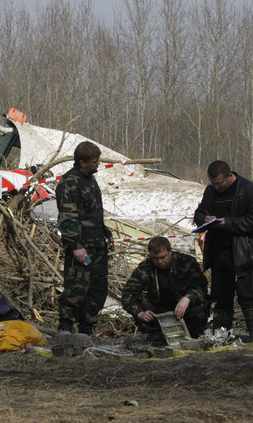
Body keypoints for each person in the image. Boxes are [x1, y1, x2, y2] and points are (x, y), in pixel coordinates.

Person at [55, 141, 111, 335]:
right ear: (82, 162)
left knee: (97, 289)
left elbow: (91, 212)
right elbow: (68, 217)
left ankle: (87, 327)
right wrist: (76, 246)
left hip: (97, 244)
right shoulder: (70, 182)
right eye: (94, 161)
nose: (97, 164)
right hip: (81, 246)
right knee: (76, 288)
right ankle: (66, 326)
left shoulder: (90, 179)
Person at [194, 160, 253, 338]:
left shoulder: (247, 190)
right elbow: (198, 212)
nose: (216, 187)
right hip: (218, 254)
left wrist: (229, 223)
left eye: (219, 183)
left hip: (243, 254)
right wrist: (204, 219)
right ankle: (222, 339)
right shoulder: (211, 190)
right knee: (221, 299)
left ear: (229, 176)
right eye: (213, 183)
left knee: (248, 299)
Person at [121, 236, 208, 341]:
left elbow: (201, 285)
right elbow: (128, 294)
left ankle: (194, 331)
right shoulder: (144, 268)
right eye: (155, 258)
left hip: (185, 308)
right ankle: (156, 334)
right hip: (158, 310)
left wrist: (187, 299)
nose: (160, 262)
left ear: (170, 251)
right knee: (141, 301)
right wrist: (140, 313)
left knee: (199, 302)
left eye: (163, 257)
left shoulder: (186, 262)